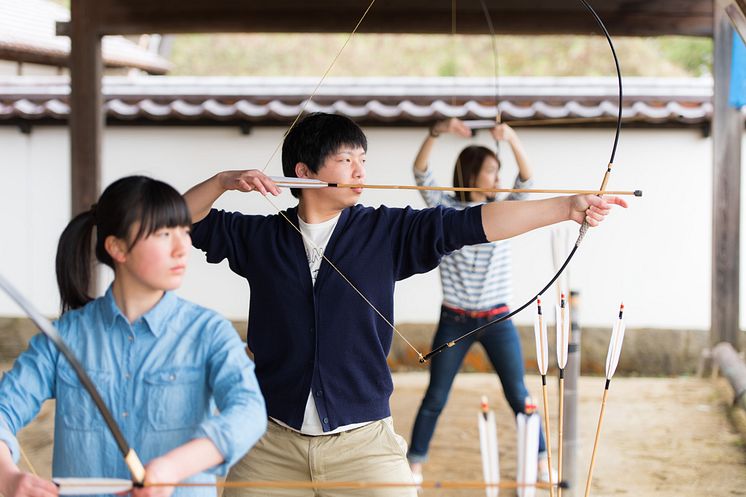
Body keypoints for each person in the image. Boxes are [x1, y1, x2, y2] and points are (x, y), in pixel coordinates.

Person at [184, 112, 626, 497]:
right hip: (268, 442)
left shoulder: (385, 231)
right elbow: (176, 218)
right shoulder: (259, 237)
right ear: (304, 171)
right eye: (346, 160)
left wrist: (566, 206)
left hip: (363, 444)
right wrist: (222, 181)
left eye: (363, 161)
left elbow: (471, 223)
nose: (359, 171)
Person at [0, 176, 267, 497]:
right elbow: (4, 408)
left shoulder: (208, 331)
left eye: (184, 231)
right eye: (164, 233)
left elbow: (249, 411)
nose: (182, 247)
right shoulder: (65, 337)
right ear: (118, 248)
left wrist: (174, 466)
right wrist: (8, 477)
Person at [407, 118, 554, 483]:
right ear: (472, 173)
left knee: (519, 394)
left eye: (498, 171)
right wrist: (436, 132)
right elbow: (420, 171)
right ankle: (414, 464)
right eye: (491, 171)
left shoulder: (504, 212)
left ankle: (540, 460)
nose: (497, 178)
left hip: (496, 320)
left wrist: (512, 138)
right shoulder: (443, 211)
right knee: (435, 397)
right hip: (454, 319)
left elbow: (527, 182)